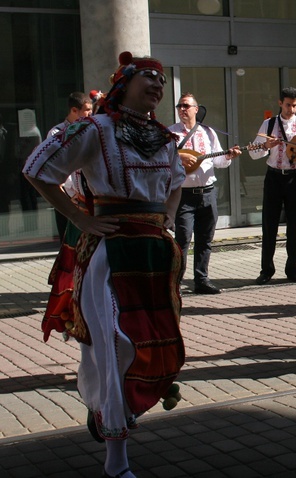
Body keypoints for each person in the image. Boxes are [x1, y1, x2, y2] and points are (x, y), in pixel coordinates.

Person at [23, 51, 185, 478]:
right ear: (124, 83)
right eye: (148, 78)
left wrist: (166, 217)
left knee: (154, 344)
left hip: (153, 254)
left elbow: (177, 185)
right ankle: (116, 459)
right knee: (115, 346)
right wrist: (78, 217)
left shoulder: (166, 137)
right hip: (111, 252)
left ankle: (110, 407)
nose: (157, 86)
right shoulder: (97, 128)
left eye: (161, 81)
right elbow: (37, 168)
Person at [169, 92, 242, 294]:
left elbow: (218, 162)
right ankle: (175, 282)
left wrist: (229, 156)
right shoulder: (171, 134)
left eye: (186, 106)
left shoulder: (208, 133)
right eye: (179, 106)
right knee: (182, 239)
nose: (182, 109)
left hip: (208, 193)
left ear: (196, 109)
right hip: (183, 195)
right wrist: (179, 157)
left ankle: (201, 280)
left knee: (205, 239)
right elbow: (162, 160)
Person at [249, 87, 296, 285]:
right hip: (274, 178)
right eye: (288, 105)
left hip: (295, 178)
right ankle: (266, 270)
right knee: (269, 225)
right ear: (280, 103)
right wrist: (265, 146)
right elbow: (253, 153)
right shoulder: (269, 124)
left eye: (295, 105)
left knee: (294, 226)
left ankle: (292, 269)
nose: (291, 109)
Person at [47, 91, 94, 242]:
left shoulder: (91, 129)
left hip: (87, 197)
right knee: (68, 242)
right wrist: (71, 193)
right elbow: (57, 167)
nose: (90, 114)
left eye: (91, 111)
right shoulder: (57, 133)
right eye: (87, 110)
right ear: (74, 110)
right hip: (67, 197)